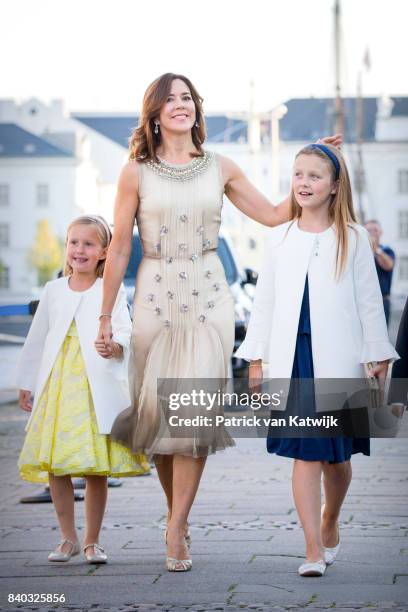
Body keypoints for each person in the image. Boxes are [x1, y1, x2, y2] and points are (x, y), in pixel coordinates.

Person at [96, 72, 342, 572]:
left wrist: (315, 166)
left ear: (196, 108)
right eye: (170, 100)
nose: (180, 106)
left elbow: (276, 215)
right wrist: (106, 314)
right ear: (155, 113)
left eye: (187, 98)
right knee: (161, 422)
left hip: (209, 299)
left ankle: (175, 525)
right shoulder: (134, 172)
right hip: (153, 298)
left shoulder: (220, 167)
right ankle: (176, 516)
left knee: (193, 416)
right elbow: (119, 245)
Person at [236, 144, 399, 576]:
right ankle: (311, 548)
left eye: (314, 176)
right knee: (305, 454)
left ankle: (330, 518)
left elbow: (369, 303)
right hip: (293, 359)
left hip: (341, 360)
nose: (304, 183)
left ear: (334, 186)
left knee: (337, 460)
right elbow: (264, 303)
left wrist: (378, 356)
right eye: (298, 175)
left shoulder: (354, 237)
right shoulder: (279, 238)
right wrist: (255, 360)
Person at [16, 215, 150, 564]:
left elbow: (124, 331)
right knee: (58, 465)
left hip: (95, 390)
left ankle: (92, 541)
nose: (80, 250)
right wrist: (27, 383)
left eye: (88, 244)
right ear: (66, 248)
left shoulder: (112, 290)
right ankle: (67, 538)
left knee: (94, 467)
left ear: (104, 251)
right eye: (74, 243)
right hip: (59, 387)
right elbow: (37, 339)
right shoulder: (53, 290)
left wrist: (116, 348)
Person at [364, 219, 395, 326]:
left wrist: (376, 249)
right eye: (369, 230)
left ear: (381, 232)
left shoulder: (387, 250)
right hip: (363, 302)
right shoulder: (360, 253)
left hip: (382, 302)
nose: (372, 233)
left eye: (375, 230)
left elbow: (388, 265)